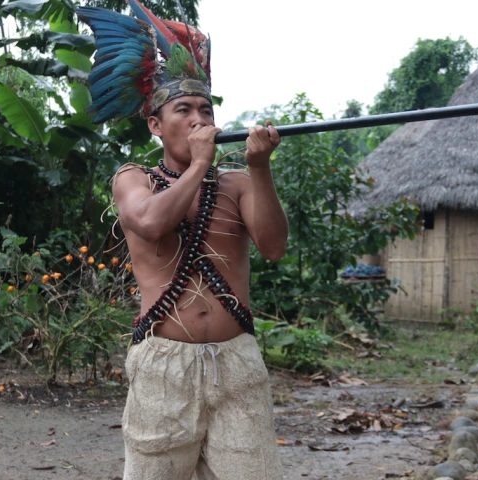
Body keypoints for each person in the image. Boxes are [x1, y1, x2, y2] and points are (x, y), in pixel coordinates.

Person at [78, 2, 288, 478]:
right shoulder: (133, 179)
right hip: (163, 368)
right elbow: (150, 224)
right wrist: (197, 165)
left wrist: (259, 167)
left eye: (206, 110)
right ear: (156, 125)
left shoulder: (236, 183)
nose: (198, 119)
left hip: (238, 367)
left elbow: (274, 247)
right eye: (184, 109)